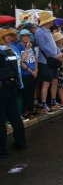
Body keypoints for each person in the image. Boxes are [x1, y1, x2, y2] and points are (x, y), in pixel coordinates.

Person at [0, 29, 27, 158]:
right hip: (13, 87)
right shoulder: (11, 52)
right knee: (15, 116)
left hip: (2, 89)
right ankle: (21, 143)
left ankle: (1, 151)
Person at [35, 12, 63, 114]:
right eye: (51, 20)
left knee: (55, 81)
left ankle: (53, 101)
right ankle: (44, 104)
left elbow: (54, 45)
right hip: (45, 61)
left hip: (53, 60)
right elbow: (43, 47)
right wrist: (55, 55)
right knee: (46, 83)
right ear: (46, 21)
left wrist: (59, 53)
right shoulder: (39, 32)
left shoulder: (48, 31)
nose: (52, 21)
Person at [18, 29, 38, 117]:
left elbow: (35, 58)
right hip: (25, 74)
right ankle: (25, 110)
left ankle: (31, 108)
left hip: (33, 73)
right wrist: (27, 49)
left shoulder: (31, 46)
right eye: (24, 36)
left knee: (32, 91)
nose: (26, 37)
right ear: (21, 37)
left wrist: (36, 70)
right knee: (26, 93)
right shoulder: (19, 47)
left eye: (27, 35)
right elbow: (21, 61)